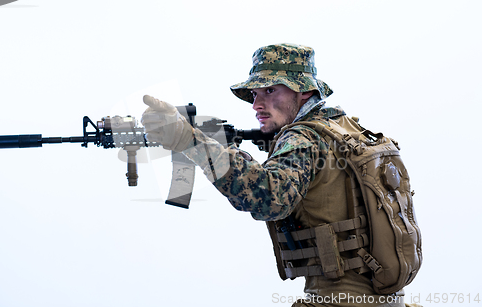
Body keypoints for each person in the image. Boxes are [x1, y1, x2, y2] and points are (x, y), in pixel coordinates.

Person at [141, 44, 419, 307]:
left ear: (304, 92)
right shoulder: (347, 129)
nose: (256, 105)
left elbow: (267, 197)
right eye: (254, 94)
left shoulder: (302, 138)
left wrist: (191, 141)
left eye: (270, 90)